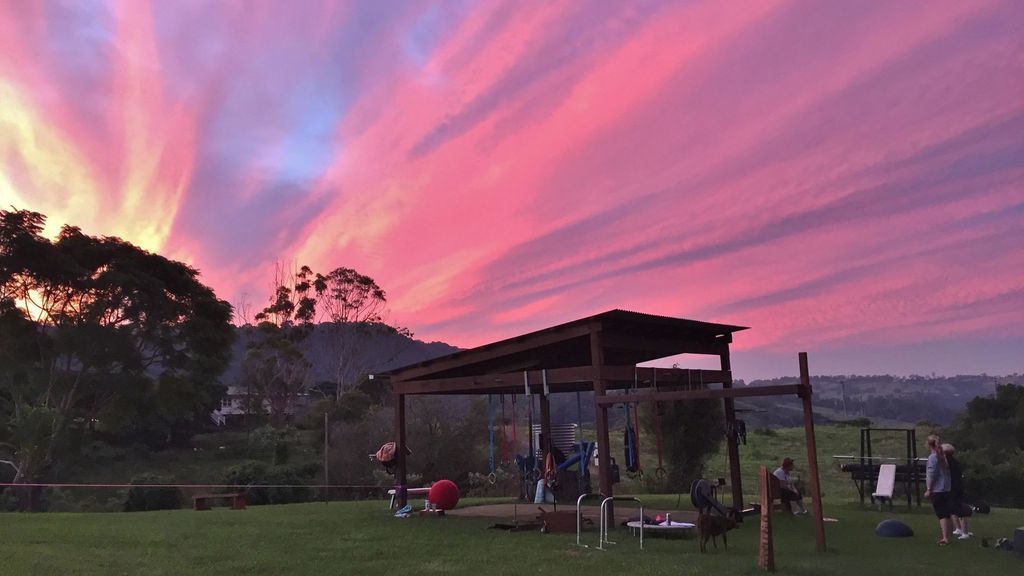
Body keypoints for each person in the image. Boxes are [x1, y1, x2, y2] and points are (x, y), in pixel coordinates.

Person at [925, 435, 953, 545]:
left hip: (938, 489)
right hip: (946, 487)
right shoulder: (942, 456)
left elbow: (931, 474)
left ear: (929, 444)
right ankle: (948, 536)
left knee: (941, 513)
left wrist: (928, 489)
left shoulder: (933, 457)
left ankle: (945, 538)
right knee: (946, 512)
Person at [943, 443, 971, 539]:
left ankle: (965, 532)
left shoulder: (950, 462)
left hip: (955, 488)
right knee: (952, 509)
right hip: (951, 487)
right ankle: (958, 528)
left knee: (959, 509)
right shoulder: (950, 461)